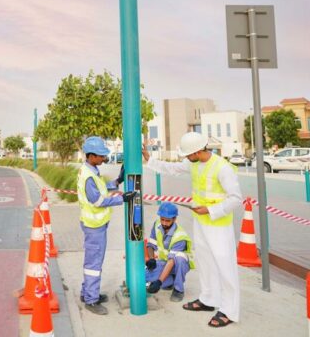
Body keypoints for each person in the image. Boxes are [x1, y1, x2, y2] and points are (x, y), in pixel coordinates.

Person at [142, 132, 242, 328]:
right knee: (205, 262)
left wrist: (210, 210)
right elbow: (172, 168)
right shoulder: (194, 163)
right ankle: (208, 300)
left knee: (225, 267)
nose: (186, 158)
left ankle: (229, 310)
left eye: (188, 154)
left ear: (197, 151)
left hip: (218, 225)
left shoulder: (223, 168)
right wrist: (150, 160)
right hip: (201, 222)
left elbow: (236, 198)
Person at [78, 136, 135, 315]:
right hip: (94, 226)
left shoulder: (92, 170)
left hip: (96, 224)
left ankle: (87, 293)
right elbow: (98, 200)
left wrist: (117, 181)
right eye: (102, 156)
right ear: (92, 155)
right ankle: (91, 300)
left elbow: (102, 188)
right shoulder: (88, 176)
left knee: (92, 261)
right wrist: (121, 199)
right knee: (94, 263)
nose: (104, 159)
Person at [144, 202, 194, 303]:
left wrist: (159, 282)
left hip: (178, 265)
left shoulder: (180, 236)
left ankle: (178, 289)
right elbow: (151, 243)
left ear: (174, 219)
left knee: (179, 259)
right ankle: (170, 281)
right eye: (162, 219)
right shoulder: (157, 224)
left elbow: (172, 261)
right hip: (164, 262)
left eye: (168, 221)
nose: (164, 223)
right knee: (144, 276)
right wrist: (152, 259)